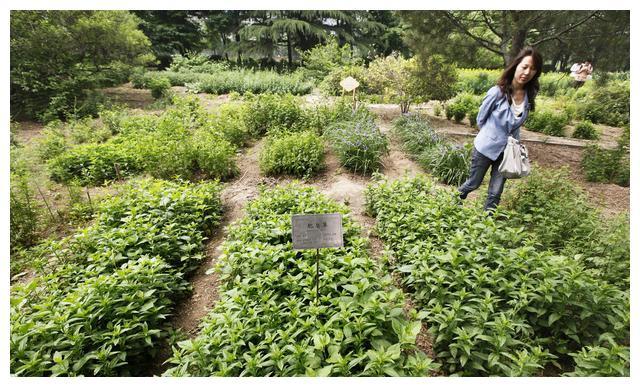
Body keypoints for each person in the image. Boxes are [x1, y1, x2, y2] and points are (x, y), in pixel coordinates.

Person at [458, 47, 543, 212]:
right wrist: (492, 137)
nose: (527, 72)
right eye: (525, 66)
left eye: (533, 69)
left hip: (508, 152)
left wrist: (514, 144)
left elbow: (516, 125)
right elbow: (480, 119)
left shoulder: (528, 96)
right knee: (473, 183)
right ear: (516, 65)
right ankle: (453, 201)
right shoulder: (497, 92)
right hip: (485, 148)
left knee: (496, 192)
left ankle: (487, 225)